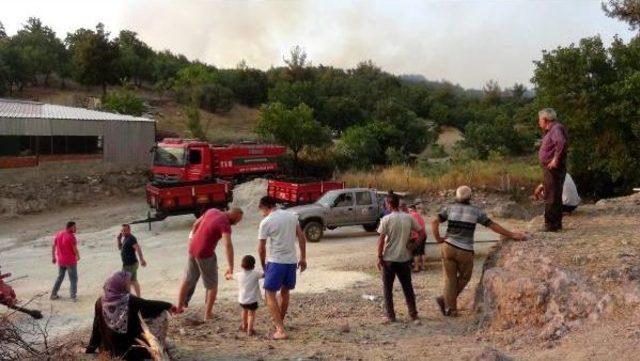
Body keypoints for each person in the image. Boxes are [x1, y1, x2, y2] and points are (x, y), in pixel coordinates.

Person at [431, 186, 527, 317]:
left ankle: (449, 307)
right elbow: (492, 225)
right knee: (465, 277)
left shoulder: (450, 208)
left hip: (448, 247)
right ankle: (445, 301)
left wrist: (438, 239)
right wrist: (511, 234)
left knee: (450, 279)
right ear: (470, 197)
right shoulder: (476, 211)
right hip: (465, 250)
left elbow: (434, 222)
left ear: (456, 196)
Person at [86, 271, 180, 360]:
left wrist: (90, 349)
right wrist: (169, 305)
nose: (129, 285)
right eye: (127, 284)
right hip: (131, 351)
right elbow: (149, 306)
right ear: (120, 286)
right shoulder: (130, 300)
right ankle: (160, 345)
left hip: (109, 350)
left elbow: (96, 328)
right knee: (162, 314)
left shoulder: (99, 302)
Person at [177, 208, 243, 321]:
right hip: (205, 253)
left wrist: (192, 239)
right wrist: (230, 266)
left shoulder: (212, 211)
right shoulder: (225, 224)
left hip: (193, 248)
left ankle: (178, 308)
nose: (237, 223)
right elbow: (228, 245)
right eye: (238, 220)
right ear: (234, 216)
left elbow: (196, 224)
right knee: (212, 286)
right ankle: (208, 315)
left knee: (187, 280)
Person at [257, 196, 307, 340]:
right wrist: (303, 258)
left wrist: (263, 265)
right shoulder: (291, 216)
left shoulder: (266, 222)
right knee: (285, 292)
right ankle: (280, 321)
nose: (262, 214)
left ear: (265, 207)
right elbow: (301, 237)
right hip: (291, 262)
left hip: (276, 262)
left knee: (269, 293)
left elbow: (261, 248)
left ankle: (280, 329)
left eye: (261, 211)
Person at [376, 194, 423, 323]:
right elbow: (422, 233)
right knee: (407, 287)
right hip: (404, 258)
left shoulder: (386, 219)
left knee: (388, 289)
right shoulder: (408, 218)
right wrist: (413, 246)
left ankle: (391, 315)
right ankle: (413, 313)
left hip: (389, 259)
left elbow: (380, 241)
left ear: (389, 204)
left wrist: (379, 257)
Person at [538, 108, 568, 231]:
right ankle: (555, 224)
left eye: (539, 120)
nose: (539, 122)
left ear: (545, 119)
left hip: (553, 168)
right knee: (553, 195)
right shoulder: (554, 129)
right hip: (551, 168)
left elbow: (561, 142)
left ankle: (551, 225)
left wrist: (555, 159)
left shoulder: (555, 128)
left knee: (551, 195)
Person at [51, 221, 80, 301]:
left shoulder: (59, 234)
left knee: (60, 277)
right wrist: (78, 255)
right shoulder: (71, 236)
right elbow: (74, 248)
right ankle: (73, 296)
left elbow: (53, 246)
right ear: (70, 227)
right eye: (74, 227)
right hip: (70, 261)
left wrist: (53, 257)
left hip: (61, 261)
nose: (76, 229)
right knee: (73, 278)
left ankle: (53, 294)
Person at [235, 255, 263, 336]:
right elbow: (265, 275)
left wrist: (227, 274)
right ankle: (249, 330)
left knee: (244, 311)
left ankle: (244, 325)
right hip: (252, 300)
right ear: (253, 266)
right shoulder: (256, 273)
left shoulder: (238, 275)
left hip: (242, 300)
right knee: (251, 314)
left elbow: (229, 276)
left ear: (241, 265)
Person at [117, 224, 147, 297]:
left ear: (129, 230)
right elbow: (120, 248)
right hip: (131, 264)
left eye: (125, 230)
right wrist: (118, 239)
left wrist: (142, 259)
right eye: (122, 230)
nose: (123, 232)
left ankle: (129, 299)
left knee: (126, 282)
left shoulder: (131, 238)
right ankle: (138, 297)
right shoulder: (125, 238)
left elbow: (138, 248)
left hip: (129, 265)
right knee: (133, 281)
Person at [408, 204, 427, 272]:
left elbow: (412, 227)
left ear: (413, 209)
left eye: (410, 210)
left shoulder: (412, 215)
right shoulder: (419, 215)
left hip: (417, 236)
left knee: (416, 253)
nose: (409, 211)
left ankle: (416, 268)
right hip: (424, 235)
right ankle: (423, 266)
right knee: (422, 251)